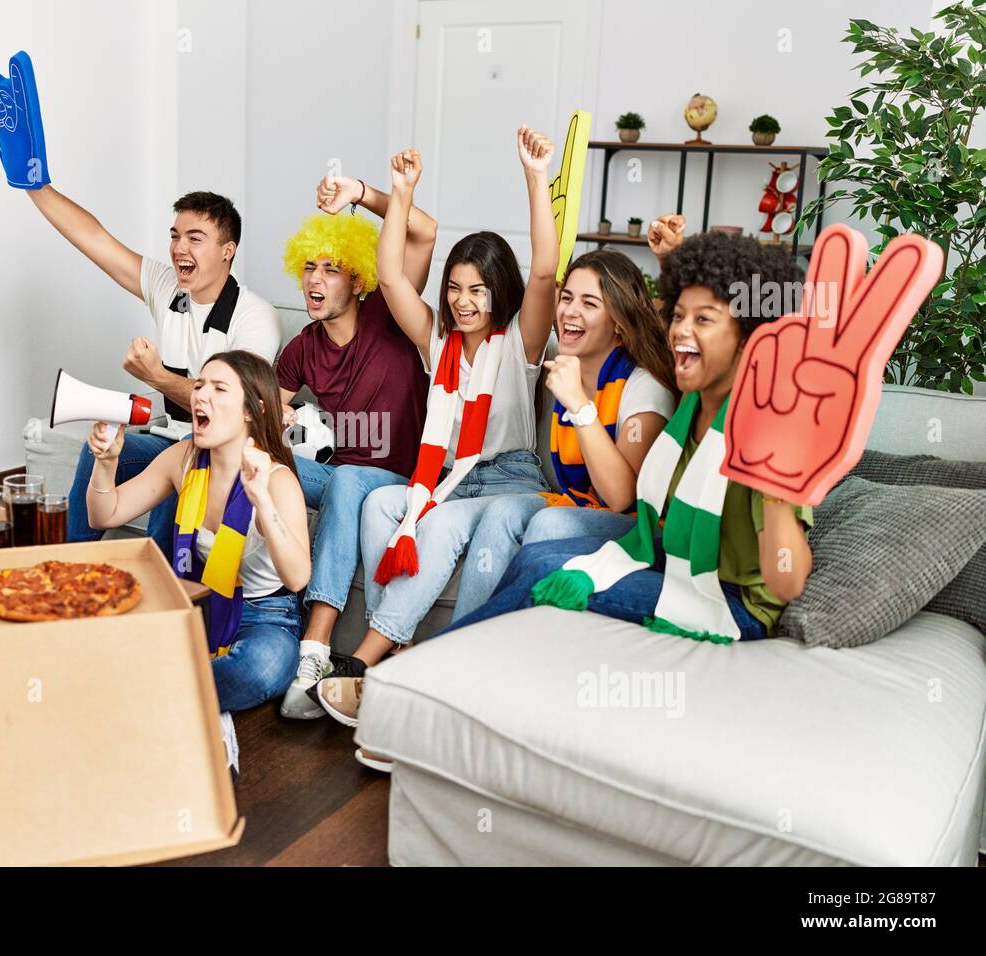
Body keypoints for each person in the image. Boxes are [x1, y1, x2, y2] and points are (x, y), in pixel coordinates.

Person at [309, 128, 561, 748]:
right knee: (379, 503)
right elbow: (392, 276)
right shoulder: (438, 345)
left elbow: (547, 271)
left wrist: (534, 178)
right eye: (455, 287)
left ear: (498, 292)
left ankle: (367, 658)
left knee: (442, 527)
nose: (464, 301)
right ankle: (402, 647)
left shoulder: (520, 345)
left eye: (478, 289)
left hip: (510, 478)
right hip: (443, 480)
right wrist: (398, 191)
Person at [444, 231, 814, 644]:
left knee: (544, 568)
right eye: (678, 317)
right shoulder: (697, 403)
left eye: (703, 320)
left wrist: (778, 491)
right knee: (537, 555)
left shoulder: (762, 424)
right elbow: (649, 321)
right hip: (680, 562)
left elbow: (787, 583)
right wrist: (673, 258)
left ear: (748, 338)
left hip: (729, 601)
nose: (680, 331)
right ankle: (475, 660)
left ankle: (449, 659)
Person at [84, 350, 309, 775]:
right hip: (195, 602)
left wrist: (261, 499)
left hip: (266, 617)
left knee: (262, 671)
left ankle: (152, 698)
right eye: (200, 385)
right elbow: (105, 513)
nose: (200, 395)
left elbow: (298, 579)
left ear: (252, 410)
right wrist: (106, 463)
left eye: (219, 388)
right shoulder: (184, 458)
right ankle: (203, 705)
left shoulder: (276, 479)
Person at [27, 185, 280, 553]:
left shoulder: (255, 317)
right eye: (175, 236)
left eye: (195, 238)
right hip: (172, 439)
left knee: (180, 475)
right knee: (96, 450)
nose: (180, 248)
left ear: (228, 251)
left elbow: (234, 409)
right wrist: (33, 185)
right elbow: (93, 238)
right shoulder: (169, 288)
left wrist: (155, 376)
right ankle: (70, 560)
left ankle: (161, 587)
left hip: (222, 450)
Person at [273, 179, 436, 718]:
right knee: (266, 466)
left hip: (400, 479)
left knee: (345, 479)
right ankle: (254, 616)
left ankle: (315, 651)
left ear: (359, 276)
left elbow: (423, 230)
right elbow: (264, 422)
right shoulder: (301, 348)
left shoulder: (389, 314)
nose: (314, 281)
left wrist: (361, 193)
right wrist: (281, 423)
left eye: (330, 268)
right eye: (308, 268)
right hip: (343, 473)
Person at [452, 241, 681, 620]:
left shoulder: (644, 388)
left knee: (550, 521)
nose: (570, 312)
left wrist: (580, 406)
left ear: (620, 325)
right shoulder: (565, 367)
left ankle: (518, 645)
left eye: (589, 304)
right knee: (503, 511)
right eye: (568, 298)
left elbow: (622, 498)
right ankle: (466, 635)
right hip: (580, 503)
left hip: (641, 528)